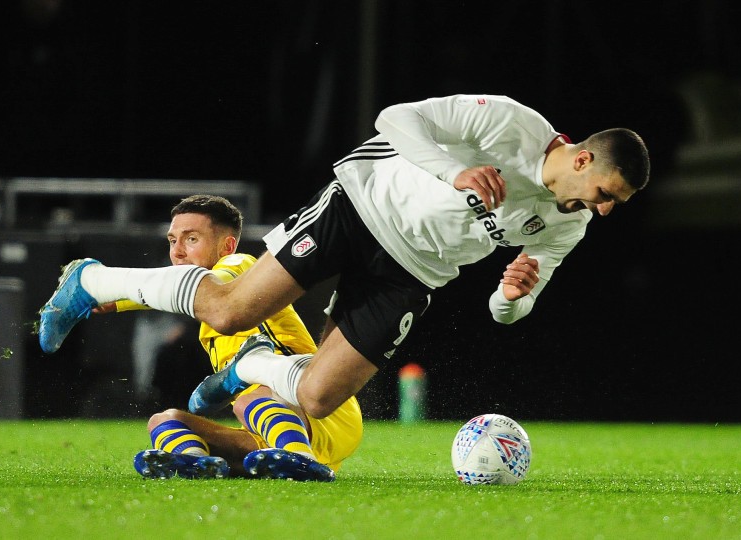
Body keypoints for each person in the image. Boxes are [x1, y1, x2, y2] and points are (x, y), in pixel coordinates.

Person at [39, 94, 650, 426]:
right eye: (606, 194)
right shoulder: (512, 124)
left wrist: (510, 297)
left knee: (318, 398)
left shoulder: (569, 223)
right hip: (360, 207)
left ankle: (250, 368)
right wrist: (454, 170)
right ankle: (92, 280)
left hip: (414, 272)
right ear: (581, 160)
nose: (603, 211)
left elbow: (510, 310)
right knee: (230, 312)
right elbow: (395, 119)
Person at [56, 195, 363, 482]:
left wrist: (114, 289)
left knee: (248, 399)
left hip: (318, 405)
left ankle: (301, 458)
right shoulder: (208, 307)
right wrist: (117, 300)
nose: (177, 251)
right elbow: (184, 289)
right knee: (165, 419)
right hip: (276, 427)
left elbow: (201, 285)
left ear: (227, 246)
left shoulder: (238, 265)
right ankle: (196, 462)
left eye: (191, 239)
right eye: (173, 240)